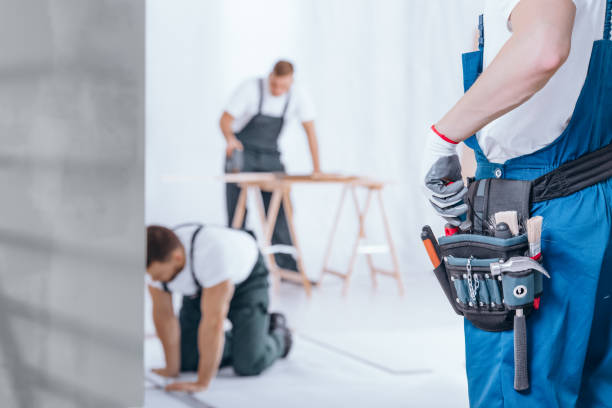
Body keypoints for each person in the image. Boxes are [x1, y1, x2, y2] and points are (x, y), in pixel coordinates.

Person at [421, 0, 611, 406]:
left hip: (537, 214)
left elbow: (542, 48)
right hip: (595, 196)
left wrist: (443, 137)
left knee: (517, 392)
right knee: (595, 388)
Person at [146, 223, 292, 392]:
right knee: (186, 359)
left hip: (247, 283)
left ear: (177, 257)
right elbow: (164, 316)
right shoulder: (154, 265)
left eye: (159, 275)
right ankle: (243, 340)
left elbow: (213, 323)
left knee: (249, 362)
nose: (155, 280)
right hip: (201, 287)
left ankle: (279, 334)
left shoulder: (211, 255)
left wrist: (202, 382)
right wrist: (171, 369)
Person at [220, 60, 320, 274]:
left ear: (291, 82)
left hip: (270, 156)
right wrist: (230, 138)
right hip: (242, 151)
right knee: (236, 210)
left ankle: (288, 268)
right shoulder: (251, 89)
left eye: (283, 87)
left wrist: (317, 168)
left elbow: (310, 130)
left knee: (281, 208)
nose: (277, 90)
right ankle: (239, 267)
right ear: (270, 76)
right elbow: (225, 119)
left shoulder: (298, 96)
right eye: (274, 84)